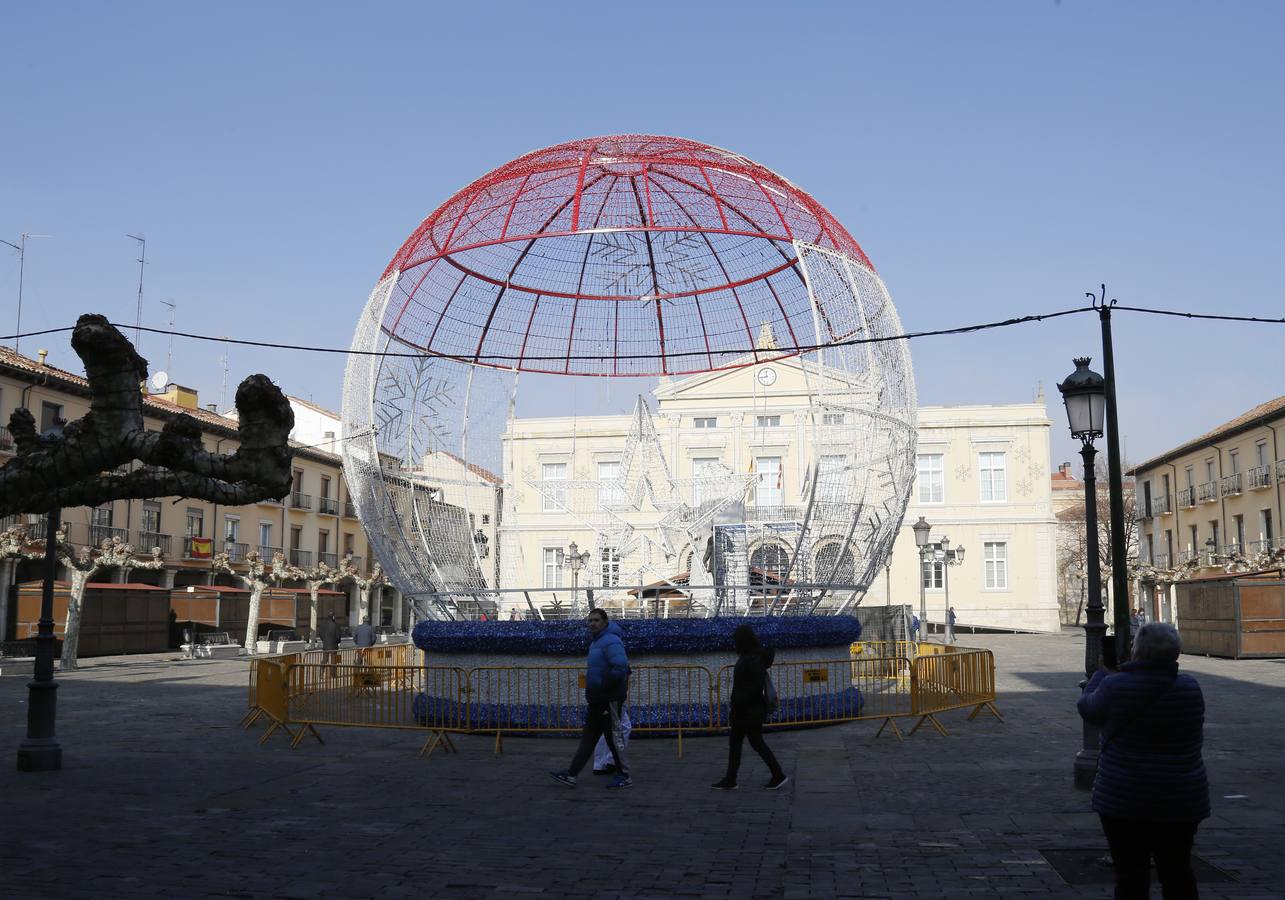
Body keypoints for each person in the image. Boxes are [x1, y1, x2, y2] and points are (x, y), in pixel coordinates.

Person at [1077, 622, 1209, 900]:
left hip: (1125, 796)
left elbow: (1088, 709)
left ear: (1138, 650)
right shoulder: (1189, 687)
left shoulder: (1115, 686)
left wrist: (1102, 672)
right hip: (1181, 795)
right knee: (1178, 871)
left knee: (1131, 875)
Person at [550, 608, 631, 789]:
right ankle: (571, 774)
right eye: (590, 620)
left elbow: (620, 667)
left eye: (596, 620)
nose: (592, 623)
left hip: (608, 699)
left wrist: (604, 687)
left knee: (612, 738)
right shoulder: (596, 643)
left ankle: (624, 775)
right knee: (588, 738)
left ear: (605, 621)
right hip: (596, 699)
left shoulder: (611, 641)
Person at [712, 623, 788, 791]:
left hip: (747, 710)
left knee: (752, 743)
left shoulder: (752, 658)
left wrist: (738, 702)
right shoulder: (753, 656)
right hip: (748, 709)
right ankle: (733, 778)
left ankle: (776, 774)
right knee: (744, 743)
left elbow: (754, 685)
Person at [316, 612, 341, 677]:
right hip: (334, 645)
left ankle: (321, 673)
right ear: (333, 617)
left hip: (326, 645)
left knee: (325, 659)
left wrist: (324, 641)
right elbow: (338, 636)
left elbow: (320, 634)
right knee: (333, 660)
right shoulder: (335, 625)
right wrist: (337, 642)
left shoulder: (323, 624)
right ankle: (333, 674)